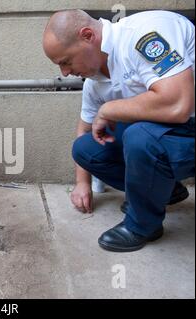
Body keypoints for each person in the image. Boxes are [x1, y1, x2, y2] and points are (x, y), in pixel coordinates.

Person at [43, 10, 194, 252]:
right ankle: (166, 190)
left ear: (87, 35)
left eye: (66, 61)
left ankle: (142, 225)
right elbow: (84, 129)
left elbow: (178, 104)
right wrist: (81, 183)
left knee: (139, 136)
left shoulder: (145, 34)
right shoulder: (94, 81)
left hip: (189, 127)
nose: (64, 73)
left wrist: (110, 110)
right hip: (170, 136)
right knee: (85, 149)